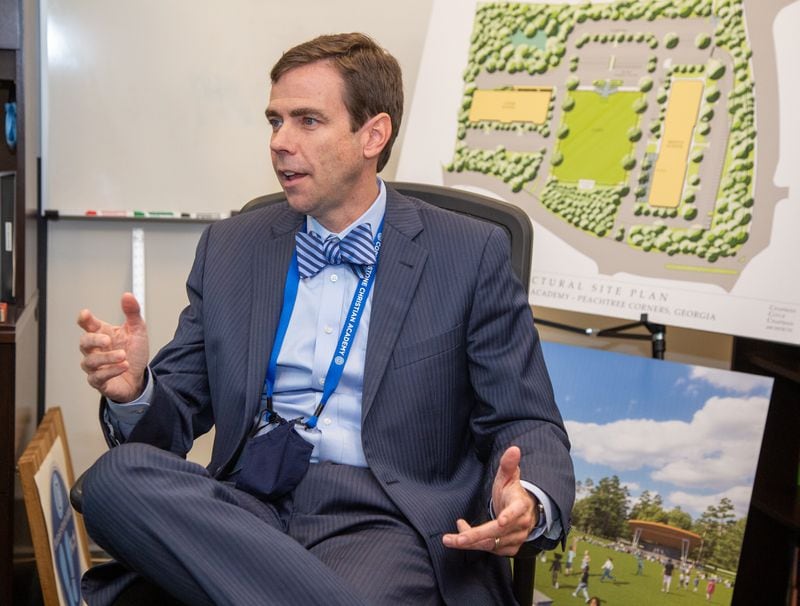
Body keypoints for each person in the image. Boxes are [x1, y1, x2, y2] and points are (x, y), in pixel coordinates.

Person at [75, 32, 575, 606]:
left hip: (385, 519)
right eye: (274, 121)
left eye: (307, 121)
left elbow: (526, 419)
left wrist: (528, 499)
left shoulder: (468, 253)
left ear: (373, 134)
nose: (280, 142)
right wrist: (134, 389)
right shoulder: (232, 248)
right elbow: (174, 421)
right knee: (116, 479)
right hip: (245, 505)